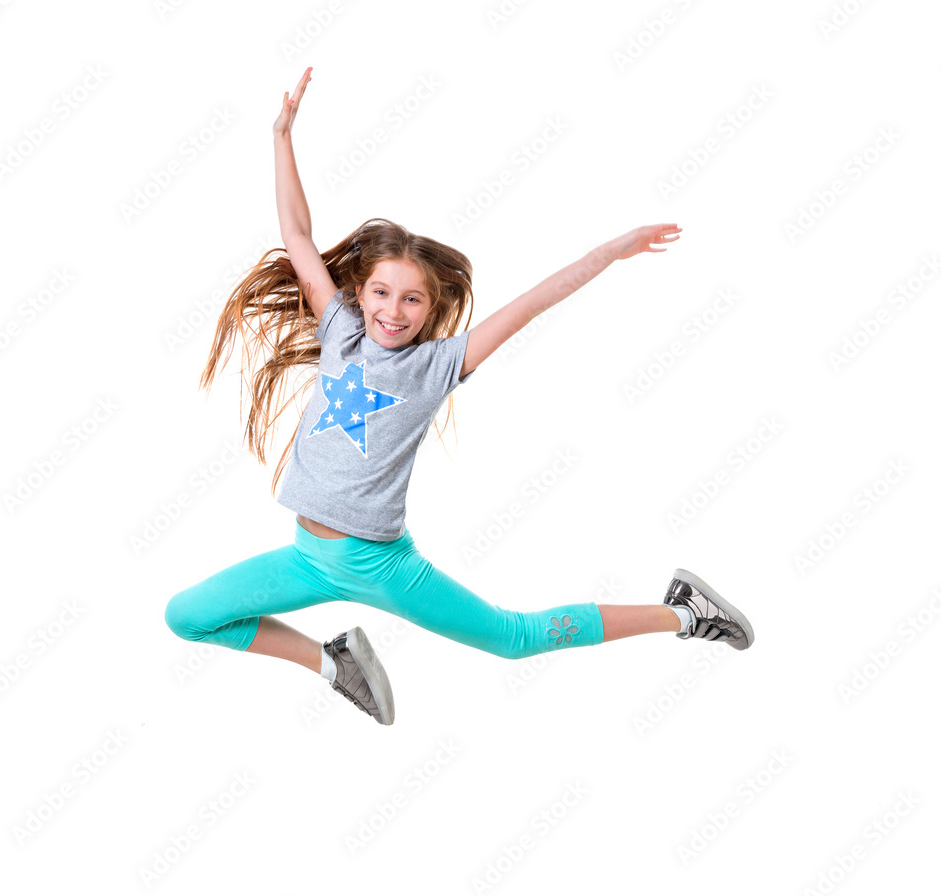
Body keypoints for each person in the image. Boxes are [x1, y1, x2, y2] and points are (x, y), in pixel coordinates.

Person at [164, 66, 754, 727]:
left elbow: (534, 301)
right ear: (360, 292)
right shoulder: (340, 330)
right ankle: (335, 663)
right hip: (307, 558)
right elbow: (298, 236)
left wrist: (610, 252)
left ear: (430, 308)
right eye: (382, 293)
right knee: (185, 617)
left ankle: (682, 612)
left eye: (411, 299)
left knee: (513, 638)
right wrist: (281, 137)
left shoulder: (438, 365)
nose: (393, 310)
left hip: (379, 564)